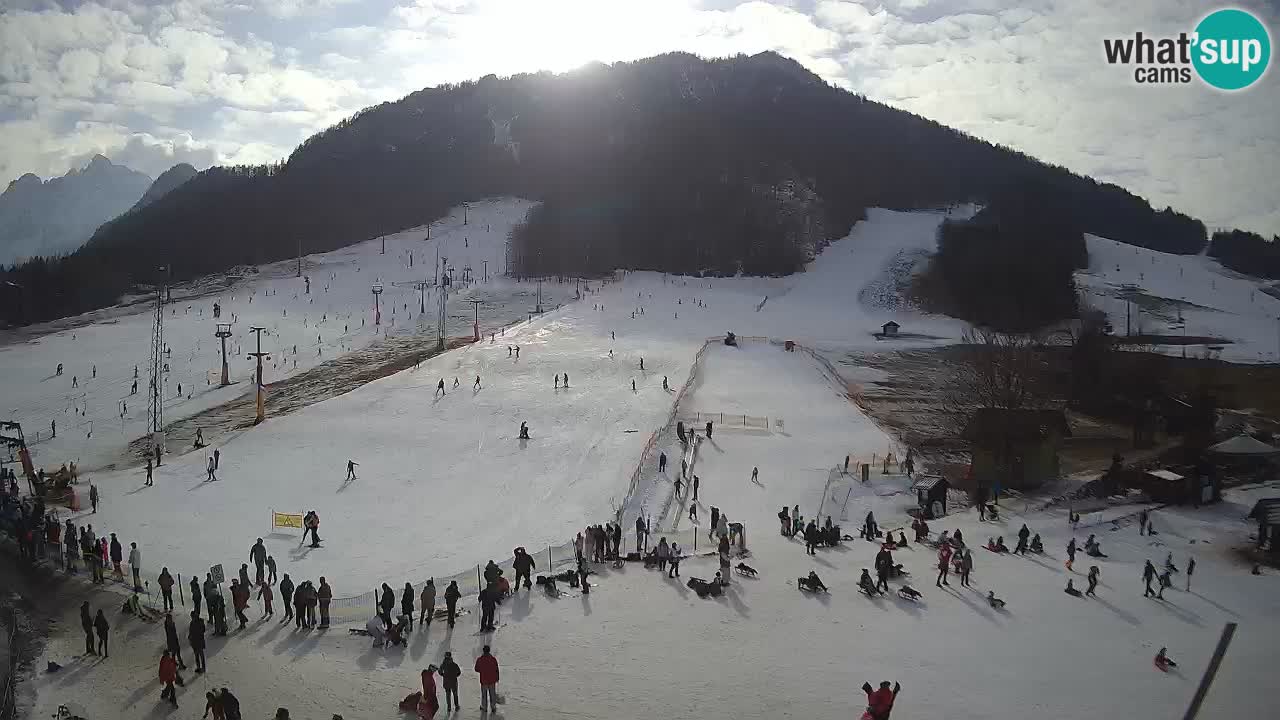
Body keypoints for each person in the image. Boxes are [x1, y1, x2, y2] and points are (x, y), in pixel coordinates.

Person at [475, 645, 500, 713]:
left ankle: (484, 707)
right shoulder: (493, 659)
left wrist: (482, 670)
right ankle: (493, 707)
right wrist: (497, 678)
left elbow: (476, 669)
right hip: (492, 680)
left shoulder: (480, 659)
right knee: (492, 694)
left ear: (483, 651)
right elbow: (496, 669)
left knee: (484, 695)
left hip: (484, 680)